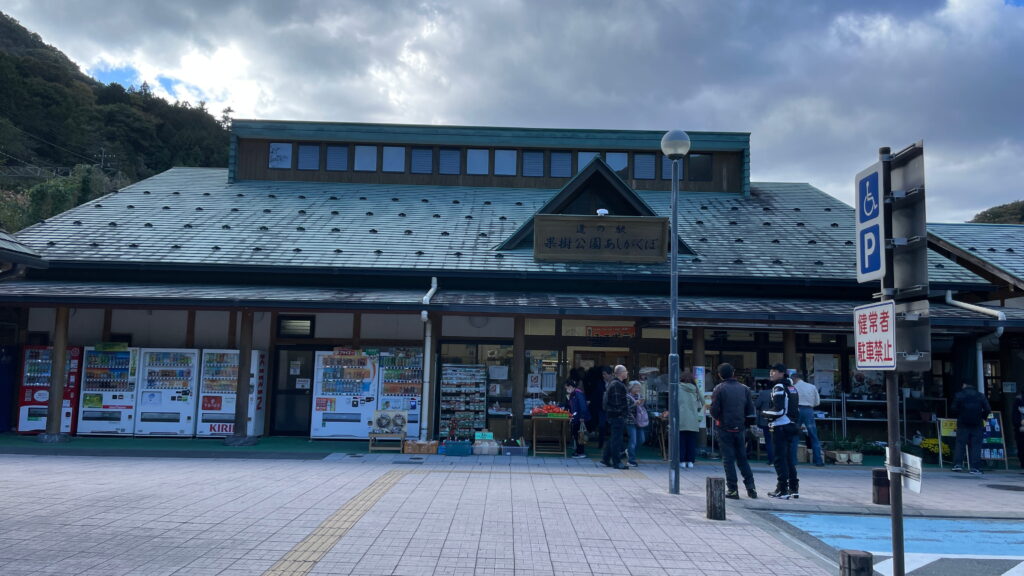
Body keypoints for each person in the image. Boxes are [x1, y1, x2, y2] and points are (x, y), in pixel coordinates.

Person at [709, 363, 757, 499]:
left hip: (724, 428)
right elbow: (750, 410)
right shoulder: (745, 389)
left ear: (719, 375)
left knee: (728, 459)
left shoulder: (719, 388)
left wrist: (719, 418)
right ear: (733, 372)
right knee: (742, 459)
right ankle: (751, 488)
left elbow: (714, 410)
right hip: (740, 428)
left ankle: (733, 489)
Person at [762, 363, 800, 499]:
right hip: (791, 425)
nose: (771, 373)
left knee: (779, 459)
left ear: (782, 373)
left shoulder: (778, 387)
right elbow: (795, 409)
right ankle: (793, 488)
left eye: (774, 371)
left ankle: (782, 489)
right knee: (789, 458)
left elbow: (778, 410)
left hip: (780, 426)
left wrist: (764, 413)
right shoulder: (792, 387)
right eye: (771, 371)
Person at [951, 381, 992, 475]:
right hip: (977, 424)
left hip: (963, 423)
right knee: (976, 446)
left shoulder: (959, 395)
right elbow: (988, 409)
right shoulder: (980, 396)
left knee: (960, 444)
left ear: (964, 385)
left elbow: (953, 409)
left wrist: (960, 415)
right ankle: (975, 468)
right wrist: (982, 416)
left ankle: (958, 465)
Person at [601, 365, 629, 470]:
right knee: (616, 440)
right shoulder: (617, 385)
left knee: (614, 437)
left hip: (614, 415)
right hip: (617, 416)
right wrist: (623, 413)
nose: (627, 373)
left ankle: (606, 458)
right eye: (625, 371)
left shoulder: (613, 383)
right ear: (620, 373)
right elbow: (617, 403)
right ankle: (617, 462)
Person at [793, 372, 825, 467]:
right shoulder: (812, 387)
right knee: (813, 436)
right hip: (809, 411)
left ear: (794, 378)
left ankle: (793, 461)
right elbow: (817, 402)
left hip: (797, 410)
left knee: (794, 435)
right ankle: (818, 461)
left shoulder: (793, 387)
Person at [677, 370, 704, 469]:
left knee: (682, 440)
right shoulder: (695, 389)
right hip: (693, 418)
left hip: (681, 418)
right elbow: (703, 401)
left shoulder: (677, 387)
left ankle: (682, 461)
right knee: (691, 441)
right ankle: (690, 461)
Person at [564, 379, 589, 459]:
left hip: (579, 418)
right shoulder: (573, 394)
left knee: (580, 434)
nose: (566, 389)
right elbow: (570, 405)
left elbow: (583, 406)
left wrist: (582, 417)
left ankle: (581, 452)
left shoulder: (578, 394)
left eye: (567, 387)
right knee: (576, 434)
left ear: (571, 387)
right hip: (576, 417)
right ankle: (578, 451)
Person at [625, 381, 648, 467]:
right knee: (633, 440)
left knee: (642, 439)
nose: (638, 389)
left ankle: (629, 451)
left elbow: (643, 408)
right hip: (630, 421)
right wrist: (634, 404)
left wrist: (642, 403)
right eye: (636, 387)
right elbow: (625, 409)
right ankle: (631, 460)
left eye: (639, 387)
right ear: (631, 388)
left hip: (640, 421)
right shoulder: (627, 397)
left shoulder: (640, 396)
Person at [754, 380, 775, 464]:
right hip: (778, 420)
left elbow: (757, 404)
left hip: (766, 420)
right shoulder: (780, 392)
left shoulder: (764, 393)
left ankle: (771, 460)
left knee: (769, 440)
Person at [1013, 390, 1024, 469]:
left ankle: (1022, 462)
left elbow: (1014, 416)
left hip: (1020, 428)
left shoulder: (1018, 400)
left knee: (1021, 446)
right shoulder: (1018, 401)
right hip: (1020, 427)